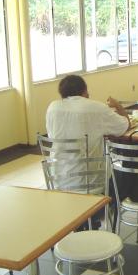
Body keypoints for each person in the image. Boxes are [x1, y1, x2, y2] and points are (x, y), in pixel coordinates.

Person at [46, 75, 130, 228]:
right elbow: (124, 126)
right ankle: (96, 216)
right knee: (123, 177)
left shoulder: (53, 107)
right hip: (90, 185)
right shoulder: (96, 107)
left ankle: (85, 220)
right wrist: (118, 105)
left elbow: (53, 134)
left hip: (58, 181)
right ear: (84, 90)